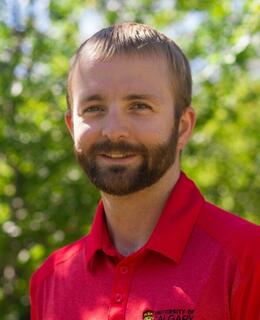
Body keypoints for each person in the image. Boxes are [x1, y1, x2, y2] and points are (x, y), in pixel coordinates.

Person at [30, 23, 260, 320]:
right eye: (94, 108)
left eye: (139, 106)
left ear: (182, 127)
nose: (114, 131)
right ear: (72, 127)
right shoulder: (50, 281)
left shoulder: (248, 259)